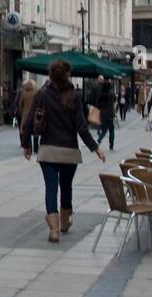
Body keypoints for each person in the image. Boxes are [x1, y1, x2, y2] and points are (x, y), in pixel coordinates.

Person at [21, 59, 106, 242]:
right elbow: (82, 127)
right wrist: (95, 148)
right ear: (67, 75)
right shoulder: (74, 96)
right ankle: (65, 221)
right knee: (66, 186)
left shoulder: (42, 94)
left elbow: (29, 120)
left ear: (50, 75)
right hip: (69, 152)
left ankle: (54, 230)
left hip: (48, 151)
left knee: (51, 188)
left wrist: (26, 144)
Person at [94, 74, 117, 151]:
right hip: (110, 114)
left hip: (103, 114)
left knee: (104, 130)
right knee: (111, 130)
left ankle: (99, 140)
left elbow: (98, 105)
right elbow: (115, 100)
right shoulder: (111, 94)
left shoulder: (101, 95)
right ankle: (111, 145)